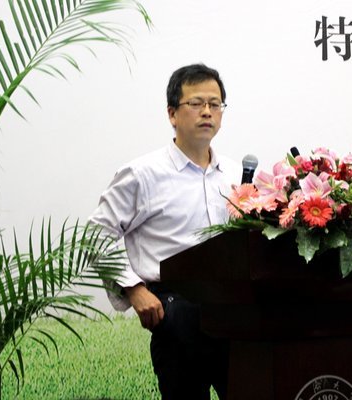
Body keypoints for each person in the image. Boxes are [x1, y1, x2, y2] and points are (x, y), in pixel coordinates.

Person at [89, 64, 240, 399]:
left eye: (215, 104)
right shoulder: (142, 173)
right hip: (175, 312)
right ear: (172, 113)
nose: (207, 112)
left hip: (232, 313)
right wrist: (134, 289)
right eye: (196, 103)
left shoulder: (234, 173)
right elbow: (98, 233)